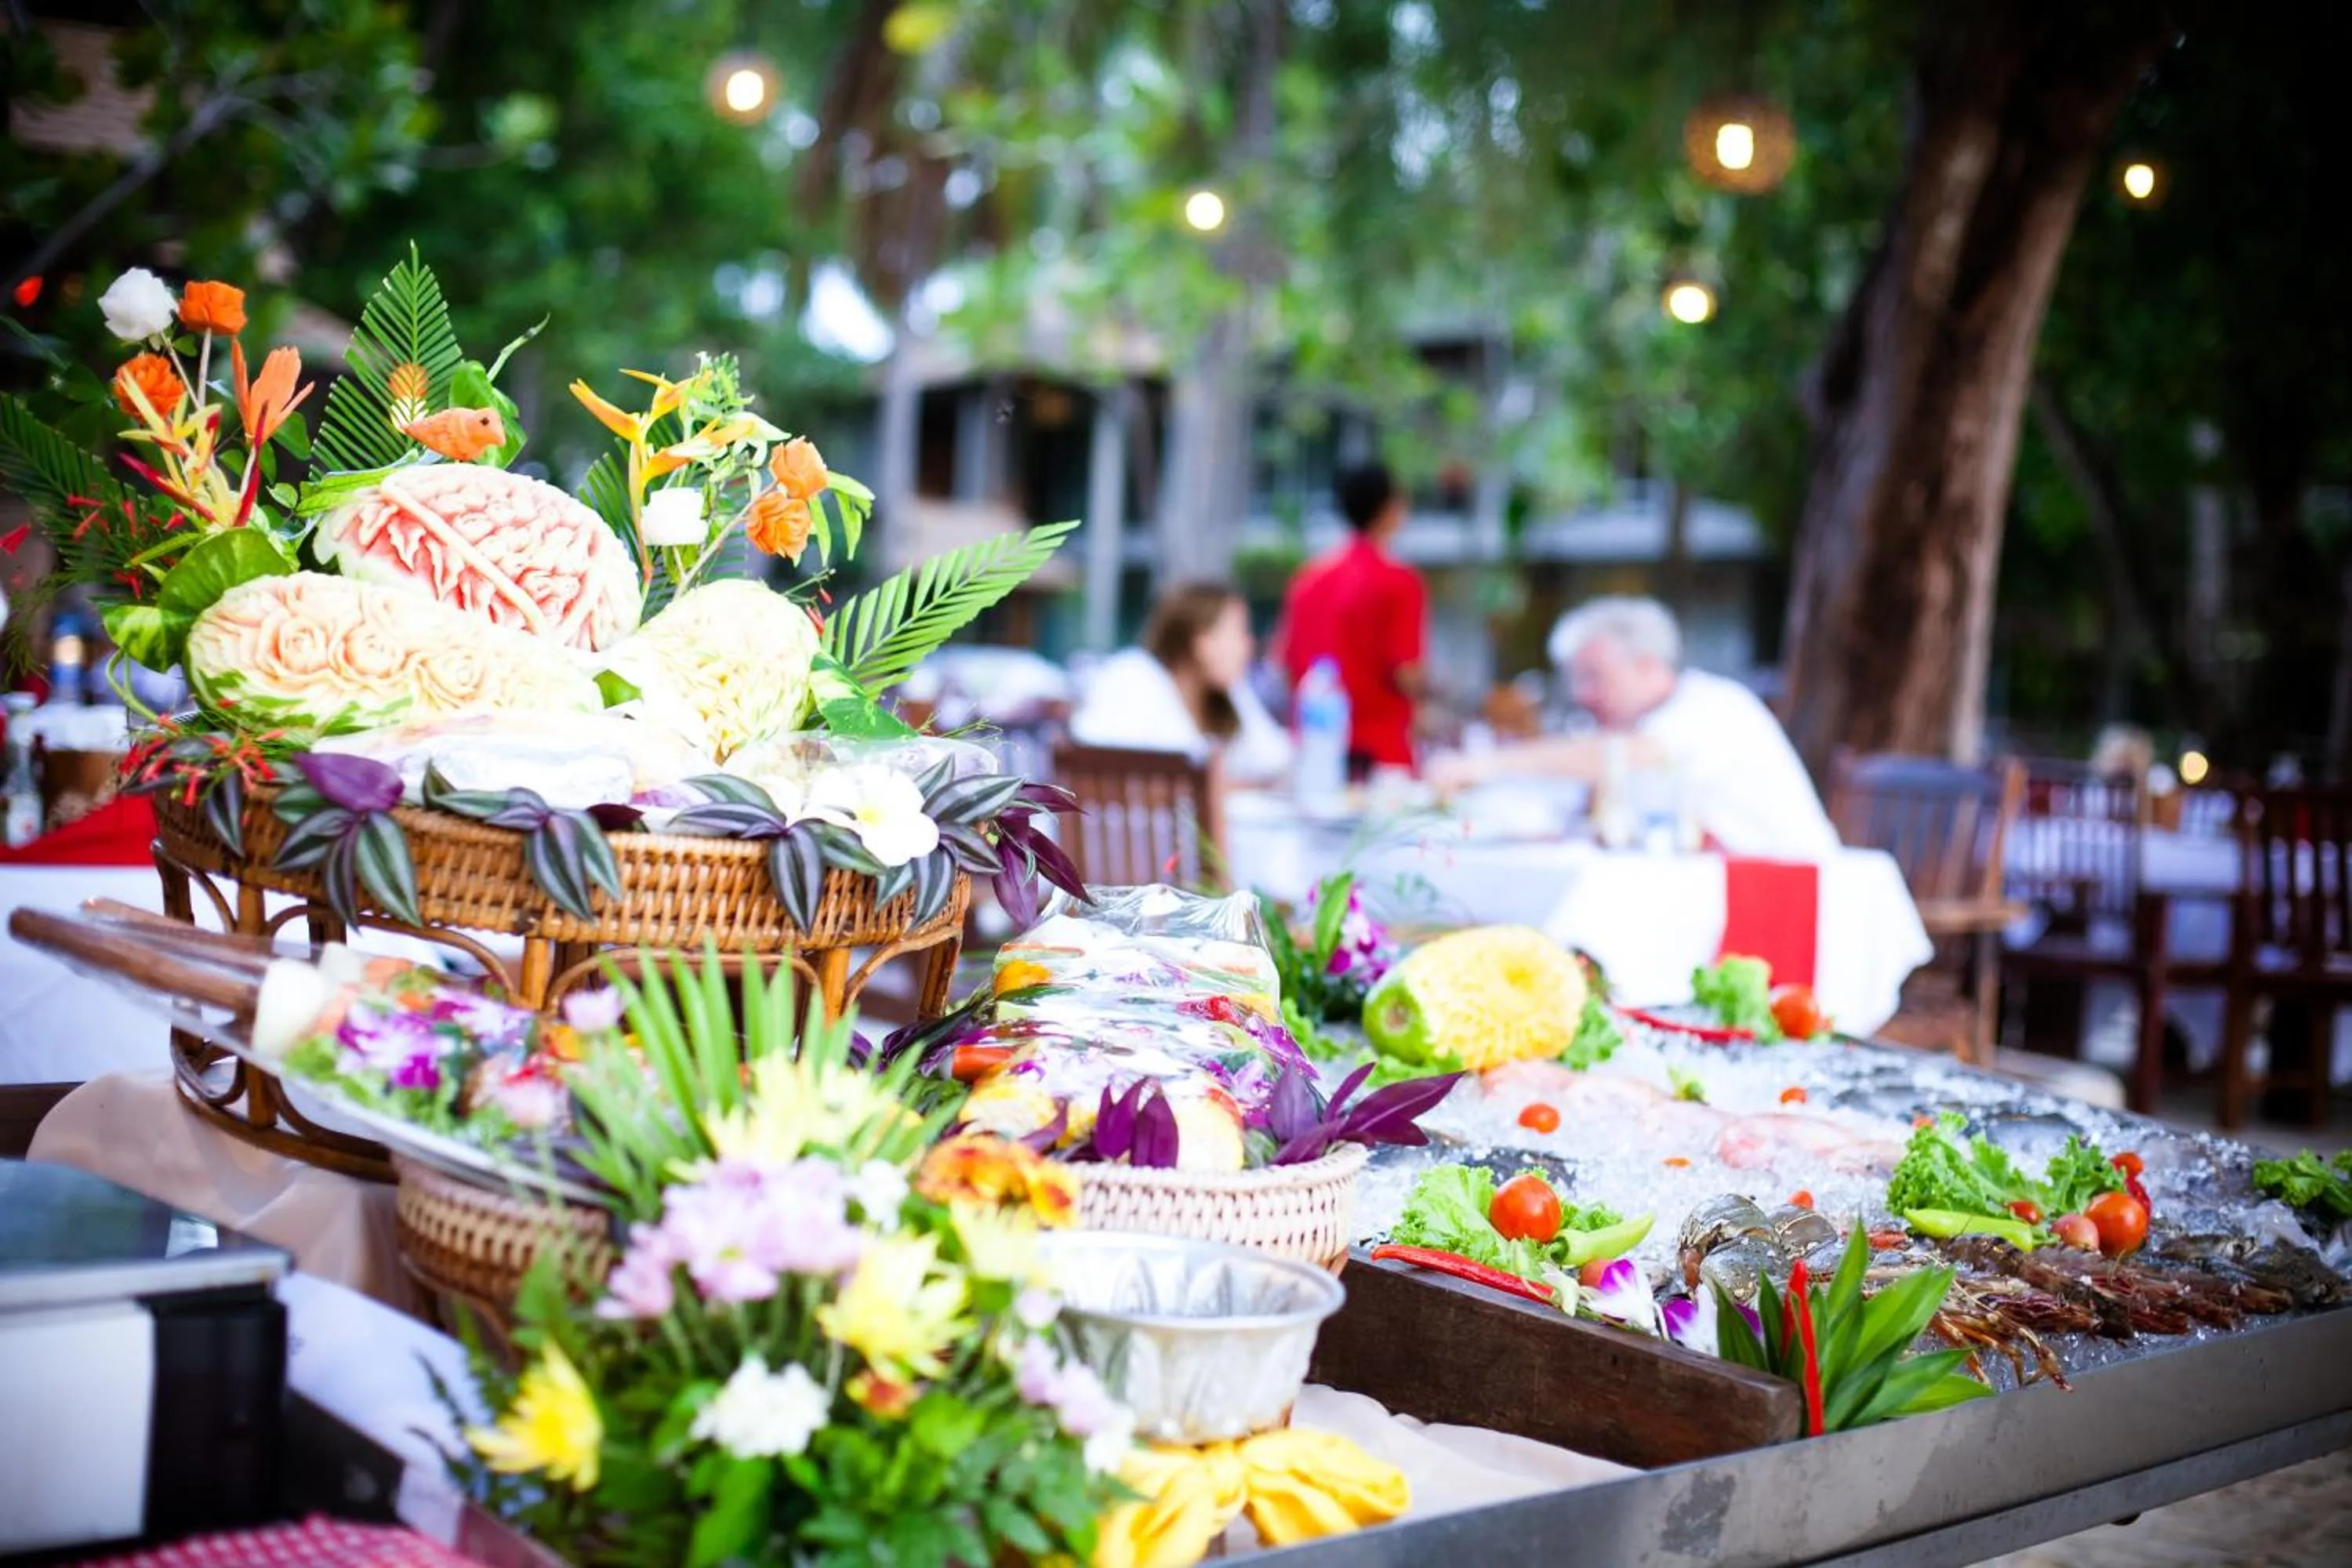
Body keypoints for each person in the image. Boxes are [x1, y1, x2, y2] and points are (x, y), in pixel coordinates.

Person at [1428, 595, 1840, 858]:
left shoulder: (1711, 706)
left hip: (1794, 892)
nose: (1582, 694)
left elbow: (1618, 755)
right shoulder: (1649, 721)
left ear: (1647, 666)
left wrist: (1487, 763)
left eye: (1593, 676)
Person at [1274, 460, 1428, 777]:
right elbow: (1406, 673)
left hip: (1315, 756)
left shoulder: (1308, 580)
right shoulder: (1399, 582)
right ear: (1390, 508)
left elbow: (1285, 666)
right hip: (1381, 757)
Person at [1069, 582, 1293, 786]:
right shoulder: (1134, 678)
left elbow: (1276, 760)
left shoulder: (1229, 694)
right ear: (1202, 642)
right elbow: (1150, 777)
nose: (1249, 645)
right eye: (1239, 632)